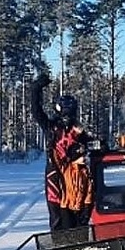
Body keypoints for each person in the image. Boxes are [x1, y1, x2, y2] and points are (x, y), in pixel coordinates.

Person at [31, 73, 92, 231]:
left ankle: (79, 244)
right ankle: (58, 247)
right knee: (57, 215)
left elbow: (93, 145)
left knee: (79, 215)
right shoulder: (52, 128)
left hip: (74, 177)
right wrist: (36, 88)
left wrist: (100, 147)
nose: (66, 116)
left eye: (69, 112)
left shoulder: (79, 132)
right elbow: (36, 111)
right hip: (55, 175)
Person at [58, 141, 94, 230]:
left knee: (81, 234)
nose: (84, 158)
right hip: (66, 207)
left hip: (80, 208)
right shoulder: (66, 168)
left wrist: (86, 206)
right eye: (82, 156)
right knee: (68, 234)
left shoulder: (85, 171)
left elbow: (88, 190)